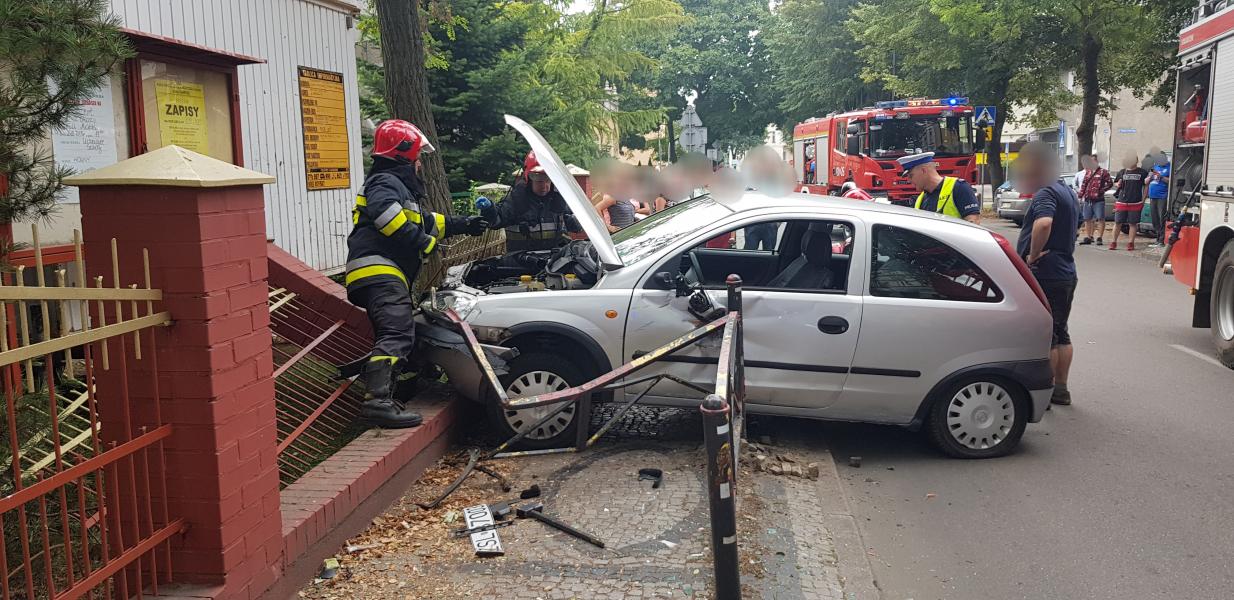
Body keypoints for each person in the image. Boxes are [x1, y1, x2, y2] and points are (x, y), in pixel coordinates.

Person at [345, 120, 488, 428]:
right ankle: (377, 403)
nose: (421, 162)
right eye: (418, 156)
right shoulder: (385, 183)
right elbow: (388, 219)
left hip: (382, 269)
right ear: (403, 154)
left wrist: (465, 223)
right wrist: (424, 243)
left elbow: (424, 220)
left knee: (403, 327)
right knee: (396, 330)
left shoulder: (394, 185)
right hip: (378, 268)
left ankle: (397, 388)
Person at [1014, 141, 1080, 406]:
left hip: (1046, 272)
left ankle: (1048, 389)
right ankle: (1061, 389)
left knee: (1047, 336)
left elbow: (1044, 223)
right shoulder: (1067, 191)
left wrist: (1031, 256)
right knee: (1062, 332)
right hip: (1065, 270)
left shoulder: (1045, 194)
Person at [488, 151, 581, 251]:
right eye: (538, 179)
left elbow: (576, 227)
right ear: (528, 178)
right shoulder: (515, 200)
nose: (544, 185)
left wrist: (577, 221)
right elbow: (496, 221)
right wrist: (489, 210)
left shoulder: (559, 201)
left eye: (548, 179)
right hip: (520, 263)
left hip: (555, 262)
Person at [896, 152, 982, 223]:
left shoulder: (959, 188)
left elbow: (973, 222)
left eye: (911, 176)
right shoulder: (920, 199)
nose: (909, 180)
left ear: (923, 170)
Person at [1109, 154, 1149, 251]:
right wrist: (1117, 184)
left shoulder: (1142, 172)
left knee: (1133, 223)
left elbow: (1146, 186)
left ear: (1136, 161)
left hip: (1135, 202)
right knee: (1118, 222)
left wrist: (1143, 200)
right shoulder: (1122, 172)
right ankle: (1113, 242)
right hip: (1122, 201)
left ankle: (1131, 243)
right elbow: (1115, 182)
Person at [1078, 154, 1113, 245]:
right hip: (1088, 199)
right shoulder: (1088, 172)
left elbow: (1110, 183)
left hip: (1098, 200)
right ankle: (1089, 237)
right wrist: (1080, 196)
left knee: (1100, 218)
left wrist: (1101, 191)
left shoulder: (1103, 172)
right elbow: (1084, 185)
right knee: (1087, 218)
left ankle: (1100, 237)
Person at [1147, 152, 1171, 247]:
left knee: (1162, 218)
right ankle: (1158, 239)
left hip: (1162, 196)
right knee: (1154, 218)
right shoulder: (1155, 167)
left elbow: (1170, 181)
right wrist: (1150, 177)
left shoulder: (1169, 167)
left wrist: (1161, 177)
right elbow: (1147, 181)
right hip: (1153, 196)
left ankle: (1161, 240)